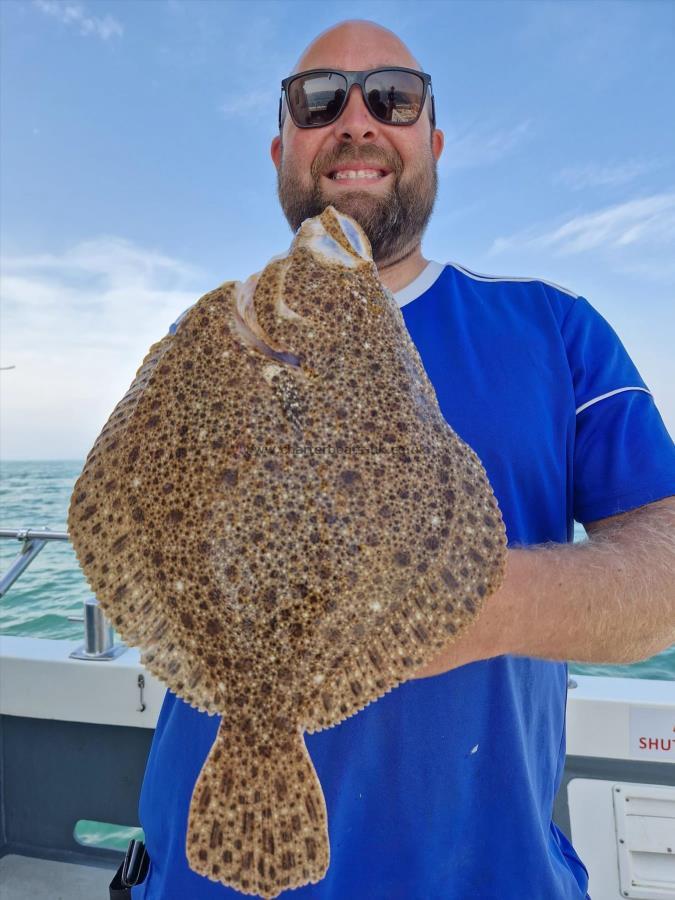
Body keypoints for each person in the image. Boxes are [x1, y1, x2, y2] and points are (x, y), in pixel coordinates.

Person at [131, 18, 675, 900]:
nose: (354, 120)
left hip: (484, 878)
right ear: (282, 147)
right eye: (318, 101)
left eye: (393, 97)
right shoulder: (209, 338)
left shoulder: (553, 329)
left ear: (433, 140)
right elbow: (136, 525)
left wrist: (466, 605)